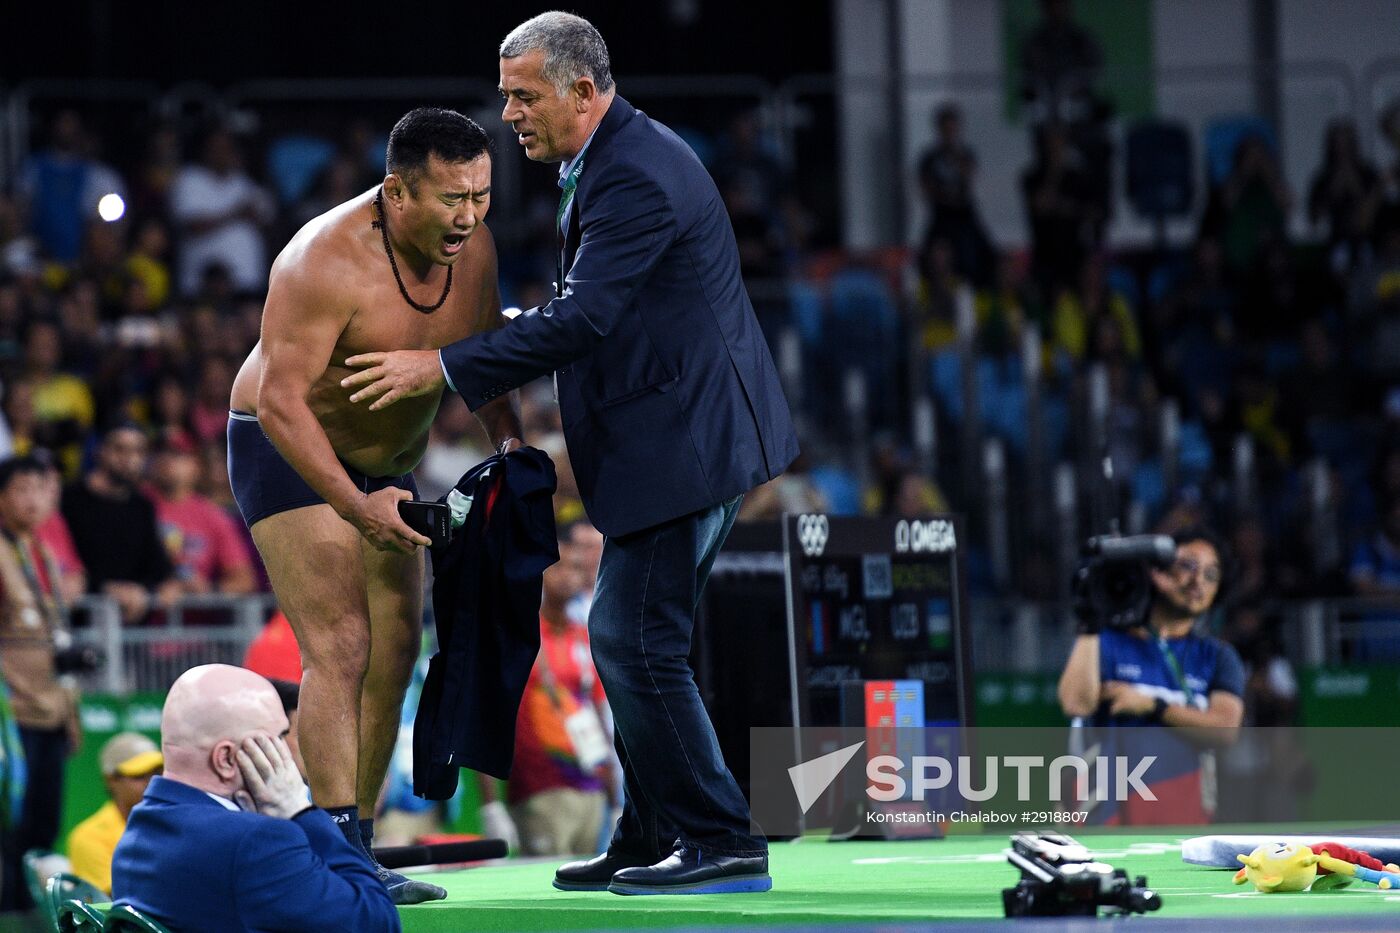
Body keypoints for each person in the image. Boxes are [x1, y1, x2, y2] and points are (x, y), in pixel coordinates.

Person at [341, 12, 798, 895]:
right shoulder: (613, 158)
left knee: (631, 638)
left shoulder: (634, 174)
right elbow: (596, 307)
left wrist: (440, 363)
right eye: (507, 94)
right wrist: (489, 335)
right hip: (678, 437)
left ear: (583, 91)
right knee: (639, 638)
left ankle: (722, 838)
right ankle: (652, 829)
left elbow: (586, 318)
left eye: (524, 95)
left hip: (684, 445)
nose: (508, 113)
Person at [226, 106, 522, 904]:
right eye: (451, 198)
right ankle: (334, 855)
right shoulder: (320, 260)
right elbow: (284, 402)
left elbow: (487, 350)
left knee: (393, 655)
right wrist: (357, 511)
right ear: (395, 190)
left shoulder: (476, 247)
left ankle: (340, 847)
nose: (468, 216)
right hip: (286, 450)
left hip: (390, 467)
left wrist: (511, 445)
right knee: (342, 645)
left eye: (482, 195)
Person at [110, 664, 399, 932]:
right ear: (226, 759)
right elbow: (377, 921)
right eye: (276, 739)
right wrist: (302, 811)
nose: (285, 755)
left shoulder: (137, 834)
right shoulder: (255, 842)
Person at [1057, 527, 1246, 825]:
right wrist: (1089, 622)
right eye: (1188, 567)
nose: (1198, 581)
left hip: (1184, 825)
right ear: (1157, 573)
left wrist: (1152, 706)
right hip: (1103, 822)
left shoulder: (1217, 657)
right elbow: (1076, 704)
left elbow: (1225, 729)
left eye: (1211, 575)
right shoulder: (1106, 641)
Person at [479, 526, 616, 856]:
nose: (570, 576)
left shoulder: (584, 636)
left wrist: (615, 796)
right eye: (561, 567)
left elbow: (598, 716)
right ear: (539, 572)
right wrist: (490, 804)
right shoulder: (517, 637)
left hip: (592, 790)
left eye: (578, 569)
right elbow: (489, 717)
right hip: (540, 789)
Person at [0, 455, 81, 911]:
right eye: (21, 489)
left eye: (40, 488)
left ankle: (32, 911)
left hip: (51, 709)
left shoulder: (44, 554)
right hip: (12, 715)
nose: (33, 499)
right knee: (12, 824)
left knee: (44, 823)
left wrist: (71, 712)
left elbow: (59, 636)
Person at [61, 424, 181, 623]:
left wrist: (166, 584)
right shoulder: (69, 500)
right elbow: (63, 564)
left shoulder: (142, 506)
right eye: (120, 449)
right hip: (80, 627)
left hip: (131, 634)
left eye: (138, 452)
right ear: (99, 450)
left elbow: (157, 566)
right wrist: (106, 588)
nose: (129, 459)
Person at [67, 732, 163, 894]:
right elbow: (116, 899)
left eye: (158, 773)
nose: (153, 783)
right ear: (111, 780)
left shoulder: (176, 825)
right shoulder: (88, 837)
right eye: (139, 776)